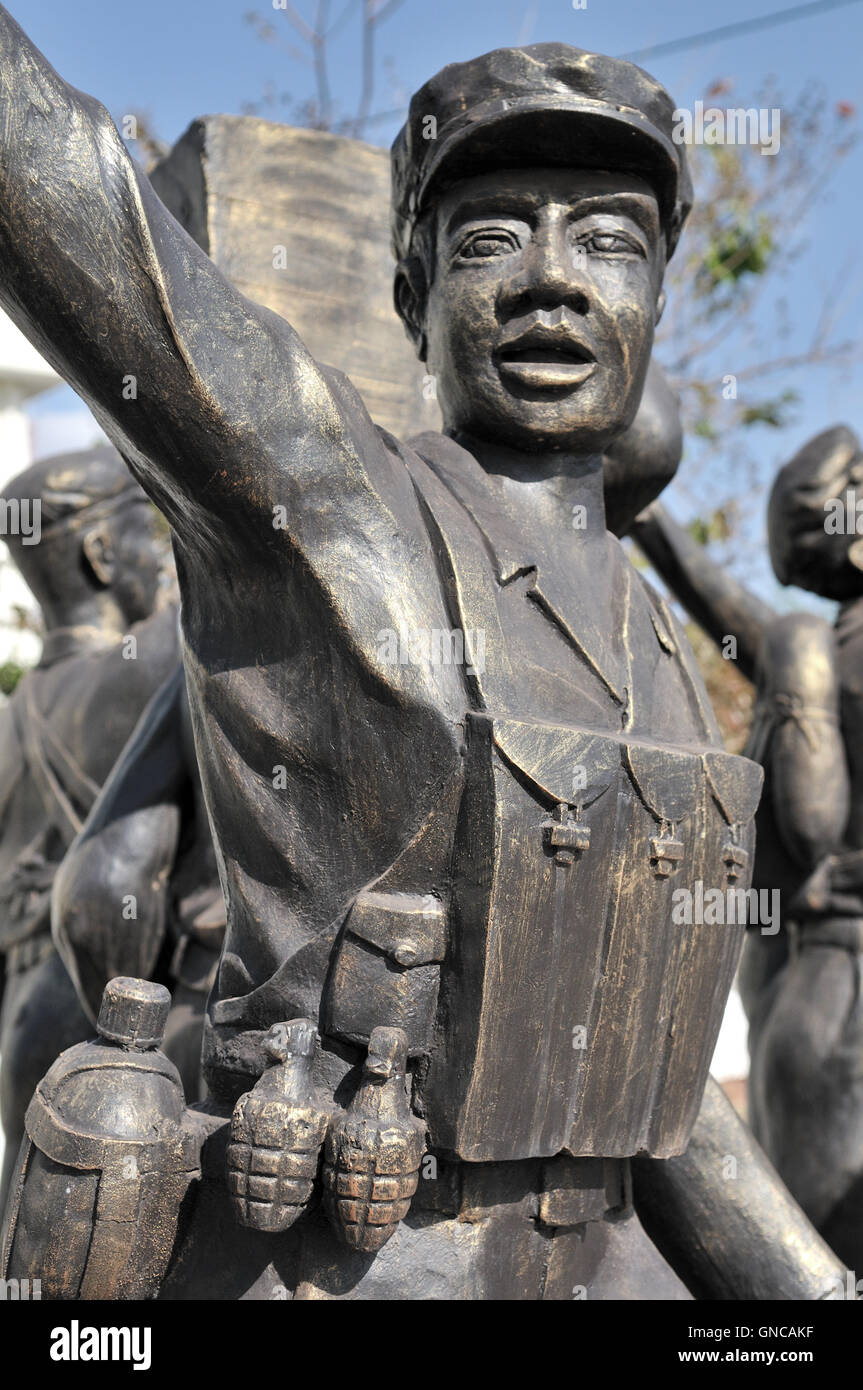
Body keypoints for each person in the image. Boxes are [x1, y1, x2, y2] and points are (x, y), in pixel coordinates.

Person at [0, 19, 844, 1298]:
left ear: (655, 299)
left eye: (607, 240)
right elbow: (72, 201)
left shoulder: (663, 646)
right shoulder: (333, 507)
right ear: (412, 296)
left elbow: (660, 1098)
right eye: (491, 237)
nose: (553, 281)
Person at [634, 425, 863, 1266]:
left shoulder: (808, 647)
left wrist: (646, 516)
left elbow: (720, 601)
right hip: (836, 985)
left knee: (807, 1240)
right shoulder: (820, 649)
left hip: (813, 973)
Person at [0, 446, 177, 1208]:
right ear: (102, 552)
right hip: (119, 1029)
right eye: (155, 532)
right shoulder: (160, 660)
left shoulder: (9, 716)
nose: (169, 559)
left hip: (21, 1017)